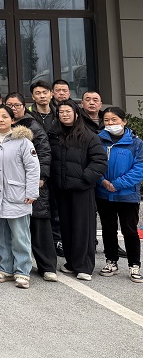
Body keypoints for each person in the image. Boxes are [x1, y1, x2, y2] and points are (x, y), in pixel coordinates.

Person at [0, 105, 40, 289]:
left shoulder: (23, 141)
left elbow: (33, 168)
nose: (0, 119)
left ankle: (22, 271)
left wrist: (32, 192)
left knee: (20, 236)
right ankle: (5, 268)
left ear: (12, 120)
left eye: (5, 116)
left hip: (17, 195)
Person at [51, 101, 108, 280]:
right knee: (66, 228)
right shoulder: (54, 135)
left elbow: (100, 161)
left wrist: (85, 178)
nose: (64, 114)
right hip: (62, 190)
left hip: (82, 190)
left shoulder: (88, 136)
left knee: (83, 228)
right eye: (61, 112)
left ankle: (84, 266)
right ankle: (71, 262)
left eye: (68, 111)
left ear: (76, 114)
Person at [5, 93, 57, 281]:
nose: (13, 108)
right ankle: (15, 266)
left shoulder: (33, 125)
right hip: (11, 186)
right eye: (9, 105)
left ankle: (47, 266)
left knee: (39, 223)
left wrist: (41, 177)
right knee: (16, 229)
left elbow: (44, 152)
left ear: (23, 106)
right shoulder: (2, 127)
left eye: (16, 105)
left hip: (33, 183)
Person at [96, 107, 143, 282]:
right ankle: (111, 261)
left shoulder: (136, 143)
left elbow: (139, 169)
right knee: (108, 229)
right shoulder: (98, 140)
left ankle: (134, 265)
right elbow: (93, 163)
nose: (110, 123)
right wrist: (102, 181)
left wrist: (117, 184)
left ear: (124, 121)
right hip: (103, 193)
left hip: (127, 195)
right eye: (106, 120)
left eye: (114, 120)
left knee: (129, 230)